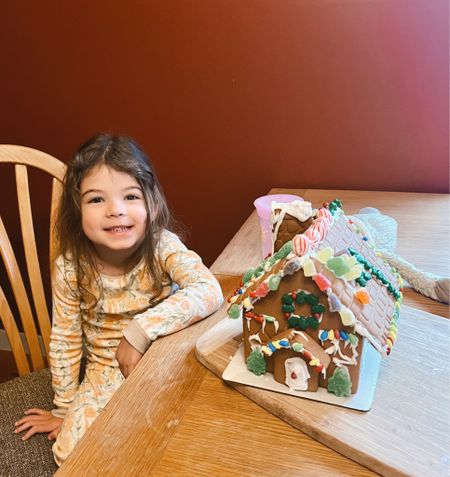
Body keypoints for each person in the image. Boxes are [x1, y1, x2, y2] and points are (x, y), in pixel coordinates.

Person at [13, 133, 223, 465]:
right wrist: (64, 410)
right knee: (70, 453)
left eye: (130, 196)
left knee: (189, 438)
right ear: (76, 210)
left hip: (167, 361)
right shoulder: (70, 268)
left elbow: (209, 289)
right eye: (97, 200)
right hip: (105, 372)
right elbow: (66, 340)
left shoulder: (162, 245)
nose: (115, 210)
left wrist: (139, 331)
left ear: (150, 203)